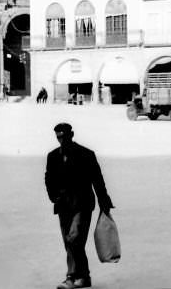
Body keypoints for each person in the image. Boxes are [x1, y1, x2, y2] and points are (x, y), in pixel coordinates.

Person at [44, 123, 113, 289]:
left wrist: (104, 201)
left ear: (71, 134)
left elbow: (97, 179)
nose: (61, 140)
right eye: (58, 137)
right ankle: (84, 277)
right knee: (70, 243)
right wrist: (54, 197)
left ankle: (71, 276)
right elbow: (48, 178)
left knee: (74, 238)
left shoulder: (86, 154)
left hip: (82, 204)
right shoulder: (52, 156)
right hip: (63, 205)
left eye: (64, 136)